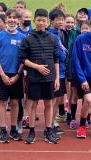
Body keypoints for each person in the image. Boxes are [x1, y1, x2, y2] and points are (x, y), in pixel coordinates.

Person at [19, 8, 60, 144]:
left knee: (49, 103)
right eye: (39, 20)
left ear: (48, 22)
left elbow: (56, 59)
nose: (41, 23)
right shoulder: (27, 39)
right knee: (32, 104)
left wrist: (57, 78)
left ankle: (48, 129)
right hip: (34, 77)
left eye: (44, 20)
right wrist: (37, 67)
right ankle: (31, 130)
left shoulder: (53, 38)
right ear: (34, 21)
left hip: (49, 77)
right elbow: (23, 59)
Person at [0, 8, 25, 143]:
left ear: (18, 20)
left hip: (16, 74)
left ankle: (13, 128)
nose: (12, 20)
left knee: (16, 101)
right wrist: (2, 74)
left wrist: (17, 75)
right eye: (9, 17)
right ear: (6, 20)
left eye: (14, 18)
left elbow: (24, 58)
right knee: (2, 102)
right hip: (2, 73)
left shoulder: (22, 37)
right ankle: (3, 129)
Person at [48, 8, 68, 137]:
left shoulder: (59, 33)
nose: (61, 22)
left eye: (62, 19)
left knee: (57, 100)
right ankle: (49, 126)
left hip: (61, 72)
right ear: (51, 21)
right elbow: (58, 55)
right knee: (52, 101)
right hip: (54, 73)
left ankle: (52, 122)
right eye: (58, 19)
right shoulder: (51, 34)